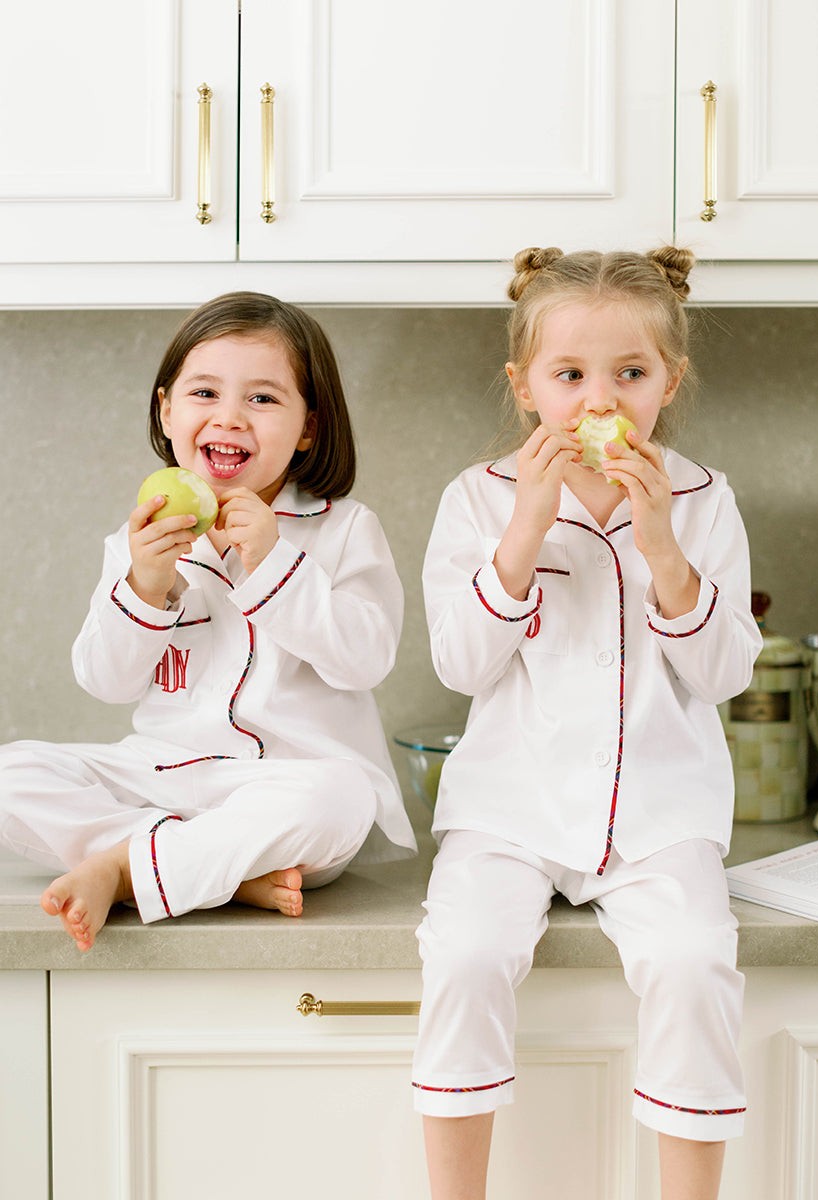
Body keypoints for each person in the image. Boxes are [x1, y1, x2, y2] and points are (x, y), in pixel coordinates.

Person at [412, 247, 762, 1200]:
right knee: (468, 955)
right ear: (524, 386)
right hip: (508, 810)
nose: (596, 396)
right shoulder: (476, 497)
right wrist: (525, 527)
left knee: (694, 963)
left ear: (668, 383)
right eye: (569, 375)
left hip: (661, 813)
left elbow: (727, 670)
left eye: (629, 374)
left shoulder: (702, 500)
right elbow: (460, 663)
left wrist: (664, 551)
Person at [0, 291, 415, 951]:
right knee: (11, 774)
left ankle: (126, 867)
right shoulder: (140, 538)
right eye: (204, 393)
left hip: (287, 786)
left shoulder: (345, 529)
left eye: (263, 398)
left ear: (309, 426)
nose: (230, 417)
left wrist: (273, 562)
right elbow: (104, 681)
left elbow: (365, 658)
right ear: (167, 410)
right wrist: (146, 585)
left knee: (344, 797)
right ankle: (216, 874)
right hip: (163, 777)